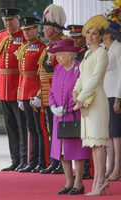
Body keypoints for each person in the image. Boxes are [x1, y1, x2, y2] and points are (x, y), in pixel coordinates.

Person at [73, 15, 110, 196]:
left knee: (99, 142)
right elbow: (82, 77)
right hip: (86, 101)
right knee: (93, 144)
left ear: (101, 36)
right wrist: (75, 91)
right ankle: (98, 182)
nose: (90, 36)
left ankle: (101, 181)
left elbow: (96, 78)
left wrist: (81, 97)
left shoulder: (102, 53)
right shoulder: (87, 53)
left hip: (97, 102)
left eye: (94, 33)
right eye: (88, 33)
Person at [48, 39, 91, 195]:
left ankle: (79, 184)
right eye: (56, 54)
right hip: (59, 117)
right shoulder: (58, 69)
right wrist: (53, 107)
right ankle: (68, 182)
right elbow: (52, 92)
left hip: (75, 114)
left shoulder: (80, 68)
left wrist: (68, 108)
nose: (57, 57)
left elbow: (83, 91)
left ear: (70, 54)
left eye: (60, 54)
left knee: (76, 151)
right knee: (61, 152)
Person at [0, 8, 27, 171]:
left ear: (17, 20)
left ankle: (24, 159)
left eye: (11, 20)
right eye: (5, 20)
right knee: (11, 127)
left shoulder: (24, 35)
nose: (8, 23)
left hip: (18, 86)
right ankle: (15, 159)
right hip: (4, 88)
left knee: (22, 126)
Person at [39, 3, 68, 175]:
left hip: (59, 94)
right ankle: (54, 161)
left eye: (47, 26)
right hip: (47, 94)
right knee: (51, 130)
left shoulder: (64, 43)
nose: (44, 30)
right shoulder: (50, 45)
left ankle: (59, 162)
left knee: (59, 131)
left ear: (55, 27)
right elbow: (41, 72)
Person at [17, 16, 47, 173]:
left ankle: (42, 162)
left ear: (37, 29)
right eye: (24, 30)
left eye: (29, 29)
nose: (27, 33)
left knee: (40, 129)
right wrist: (19, 95)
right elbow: (22, 73)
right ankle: (32, 161)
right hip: (25, 92)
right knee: (31, 129)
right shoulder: (24, 48)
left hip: (35, 93)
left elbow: (43, 74)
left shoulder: (43, 48)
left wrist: (40, 95)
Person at [67, 24, 92, 179]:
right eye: (73, 37)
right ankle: (83, 169)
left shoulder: (87, 54)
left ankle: (87, 168)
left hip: (87, 98)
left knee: (87, 135)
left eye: (78, 37)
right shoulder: (73, 55)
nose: (75, 40)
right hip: (76, 99)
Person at [103, 20, 121, 181]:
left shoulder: (118, 48)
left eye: (102, 31)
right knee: (109, 133)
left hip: (114, 95)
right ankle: (110, 167)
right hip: (105, 95)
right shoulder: (105, 49)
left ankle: (118, 168)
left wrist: (118, 98)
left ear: (109, 33)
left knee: (116, 134)